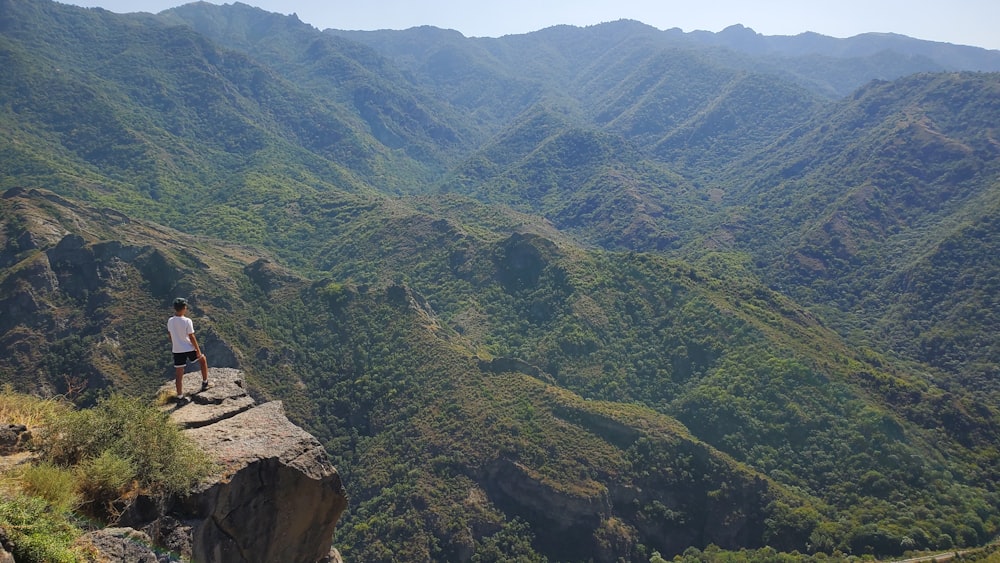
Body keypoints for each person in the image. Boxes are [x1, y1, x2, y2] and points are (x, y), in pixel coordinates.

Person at [167, 297, 209, 402]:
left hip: (177, 350)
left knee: (179, 373)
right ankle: (205, 382)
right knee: (202, 360)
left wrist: (175, 344)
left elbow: (170, 335)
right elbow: (191, 337)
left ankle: (180, 397)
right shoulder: (187, 321)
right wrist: (198, 350)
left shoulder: (170, 321)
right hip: (188, 348)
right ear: (184, 308)